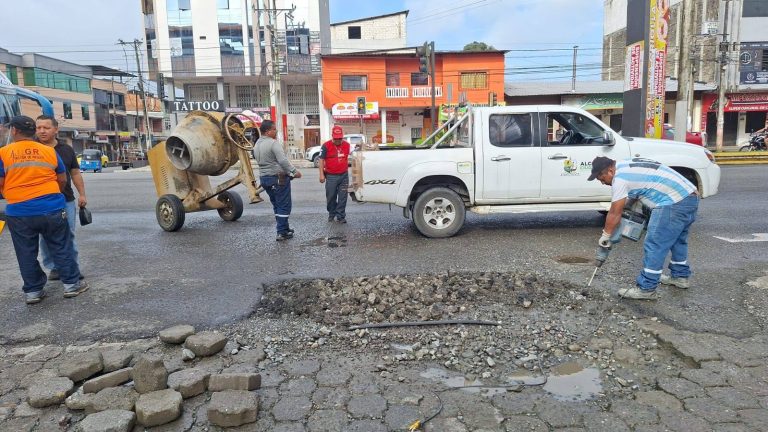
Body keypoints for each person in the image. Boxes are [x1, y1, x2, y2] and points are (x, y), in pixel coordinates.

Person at [0, 116, 87, 304]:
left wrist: (12, 193)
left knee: (26, 252)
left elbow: (0, 182)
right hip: (52, 207)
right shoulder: (48, 152)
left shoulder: (3, 153)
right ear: (33, 131)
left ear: (14, 131)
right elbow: (62, 179)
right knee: (62, 245)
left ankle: (33, 292)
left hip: (20, 211)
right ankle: (71, 285)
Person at [588, 156, 698, 300]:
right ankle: (680, 276)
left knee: (654, 243)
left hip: (672, 202)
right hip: (690, 197)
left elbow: (615, 212)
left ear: (610, 170)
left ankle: (647, 288)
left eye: (601, 178)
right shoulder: (626, 164)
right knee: (678, 240)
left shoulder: (619, 179)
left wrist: (606, 235)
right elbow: (638, 188)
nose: (602, 183)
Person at [36, 115, 87, 280]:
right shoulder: (33, 149)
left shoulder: (66, 149)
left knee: (68, 234)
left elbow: (75, 173)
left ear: (56, 129)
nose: (42, 131)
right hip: (41, 200)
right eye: (38, 128)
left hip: (66, 199)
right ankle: (53, 267)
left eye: (46, 127)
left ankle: (72, 267)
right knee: (45, 236)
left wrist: (82, 194)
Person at [253, 120, 302, 241]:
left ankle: (285, 228)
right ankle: (281, 232)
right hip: (278, 178)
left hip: (265, 178)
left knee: (276, 205)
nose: (276, 131)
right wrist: (294, 172)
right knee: (284, 205)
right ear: (268, 131)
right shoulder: (273, 143)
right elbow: (283, 161)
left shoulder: (257, 144)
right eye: (274, 129)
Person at [319, 125, 350, 223]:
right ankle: (332, 213)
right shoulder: (326, 146)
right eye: (336, 139)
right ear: (332, 136)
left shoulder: (347, 145)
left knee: (343, 197)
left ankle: (341, 216)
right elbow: (321, 160)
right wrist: (321, 174)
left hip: (344, 175)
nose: (338, 141)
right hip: (331, 176)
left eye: (340, 138)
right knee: (331, 196)